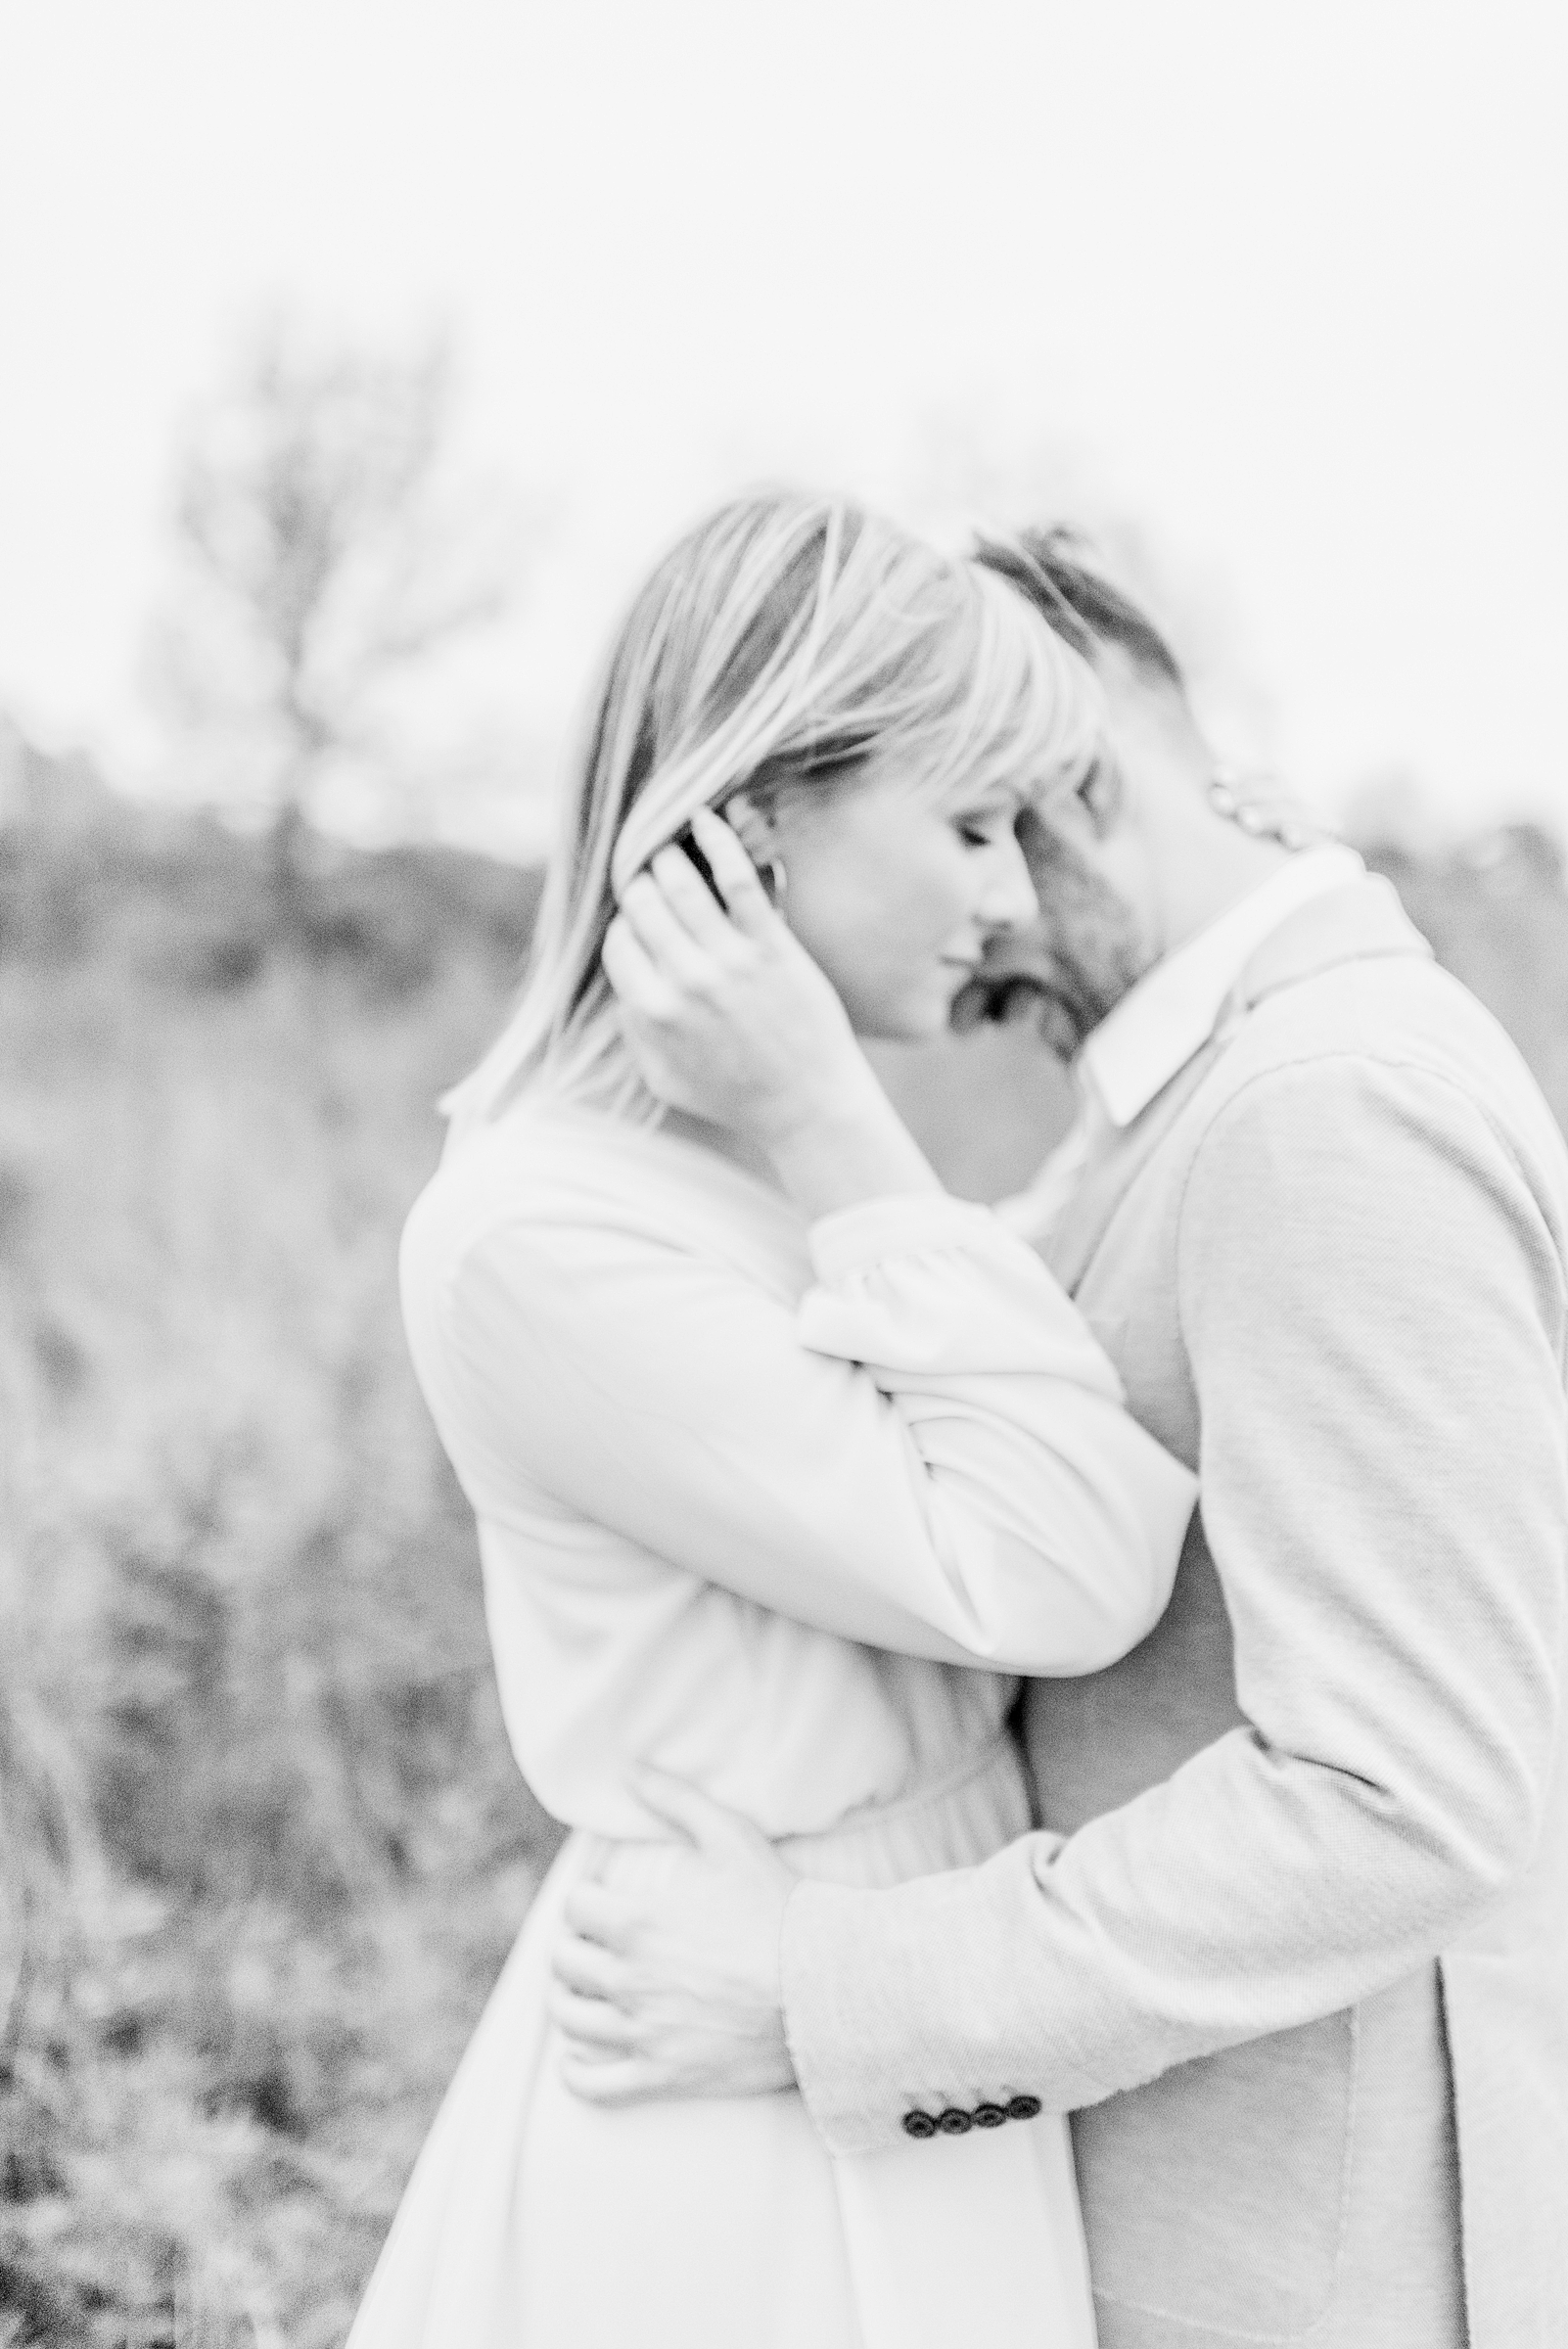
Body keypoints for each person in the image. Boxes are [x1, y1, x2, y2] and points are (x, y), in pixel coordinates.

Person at [552, 530, 1568, 2349]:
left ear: (1064, 779)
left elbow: (1401, 1799)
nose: (975, 950)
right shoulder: (1183, 1096)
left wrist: (819, 1988)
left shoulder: (1330, 1108)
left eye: (978, 826)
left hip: (1298, 2267)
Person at [346, 494, 1197, 2349]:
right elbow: (1065, 1569)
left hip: (877, 2018)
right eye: (968, 824)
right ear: (750, 825)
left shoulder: (768, 1182)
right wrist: (828, 1116)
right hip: (735, 2123)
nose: (1008, 895)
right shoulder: (538, 1237)